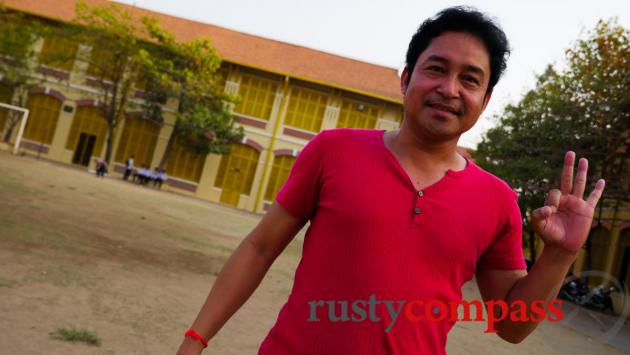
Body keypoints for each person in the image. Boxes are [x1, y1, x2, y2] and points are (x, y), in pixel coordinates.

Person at [177, 7, 606, 355]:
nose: (449, 88)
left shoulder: (496, 200)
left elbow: (512, 328)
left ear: (485, 100)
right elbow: (259, 247)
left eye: (470, 79)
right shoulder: (334, 150)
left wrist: (560, 255)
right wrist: (195, 340)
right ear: (405, 79)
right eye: (435, 69)